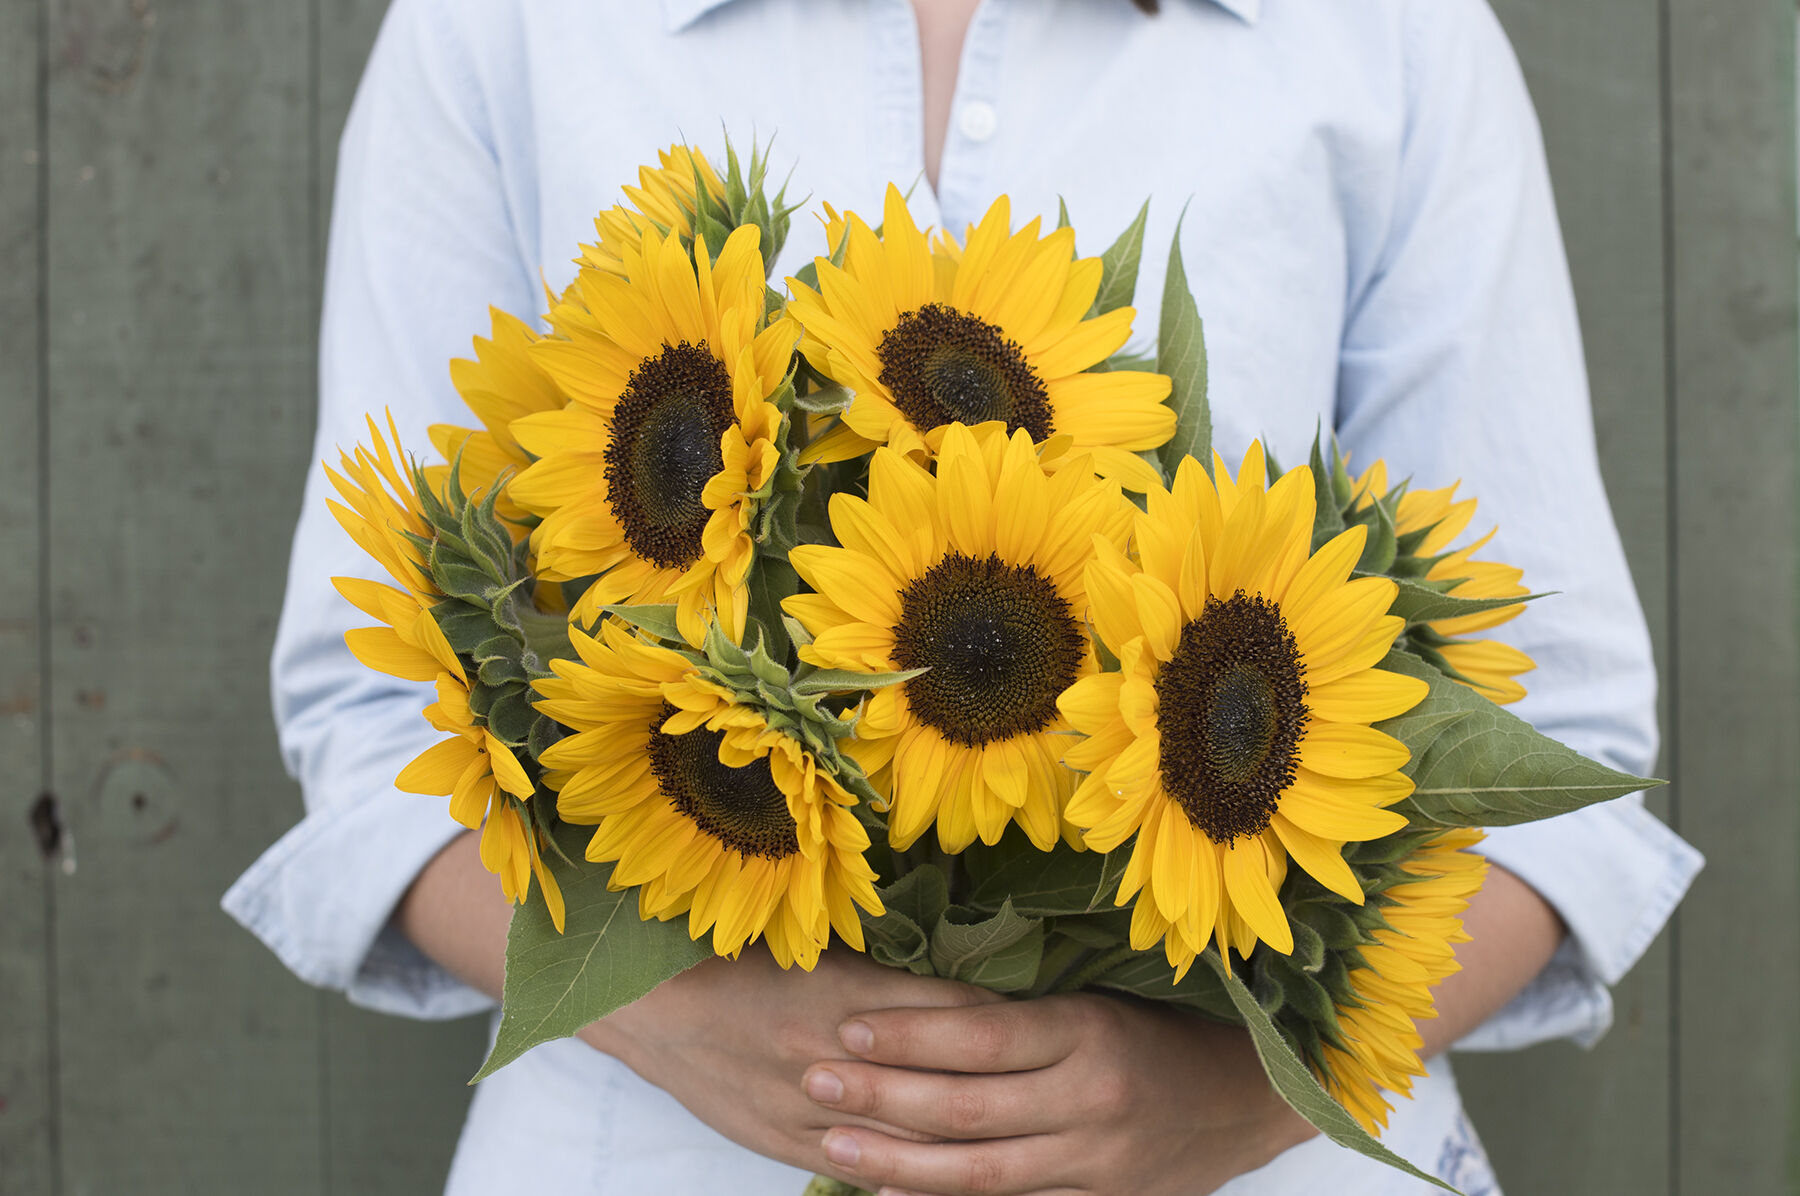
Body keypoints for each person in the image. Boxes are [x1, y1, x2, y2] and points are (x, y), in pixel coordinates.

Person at [223, 0, 1703, 1191]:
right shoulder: (500, 26)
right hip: (645, 1146)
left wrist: (1232, 1090)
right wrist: (666, 1014)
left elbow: (1558, 751)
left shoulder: (1385, 34)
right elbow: (378, 714)